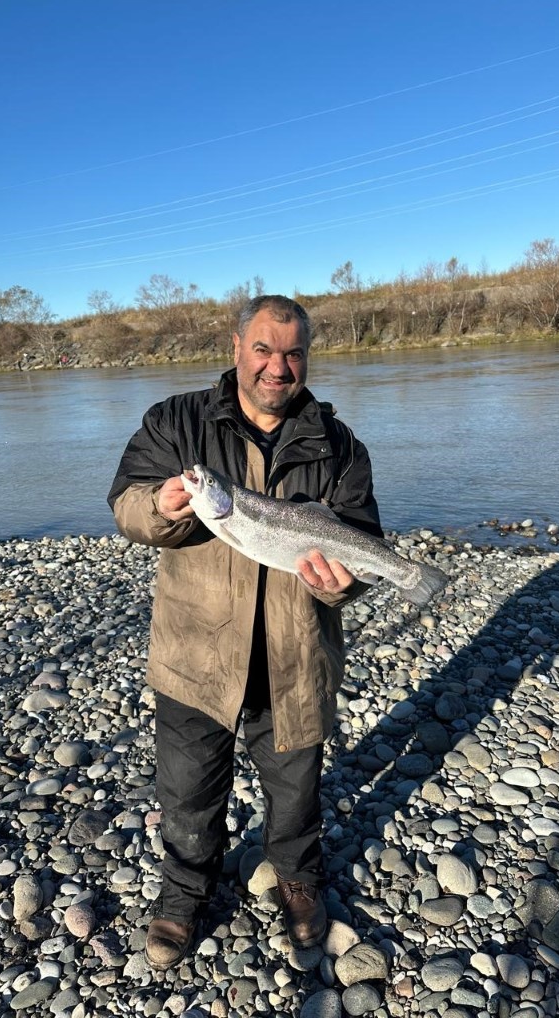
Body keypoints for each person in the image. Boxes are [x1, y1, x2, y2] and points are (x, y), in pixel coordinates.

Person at [108, 294, 382, 970]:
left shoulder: (339, 445)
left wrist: (343, 583)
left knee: (295, 794)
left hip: (294, 660)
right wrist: (163, 506)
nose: (278, 367)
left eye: (292, 354)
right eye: (263, 349)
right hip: (195, 656)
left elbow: (364, 544)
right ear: (236, 349)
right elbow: (126, 507)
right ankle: (183, 895)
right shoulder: (175, 421)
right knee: (189, 793)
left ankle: (297, 882)